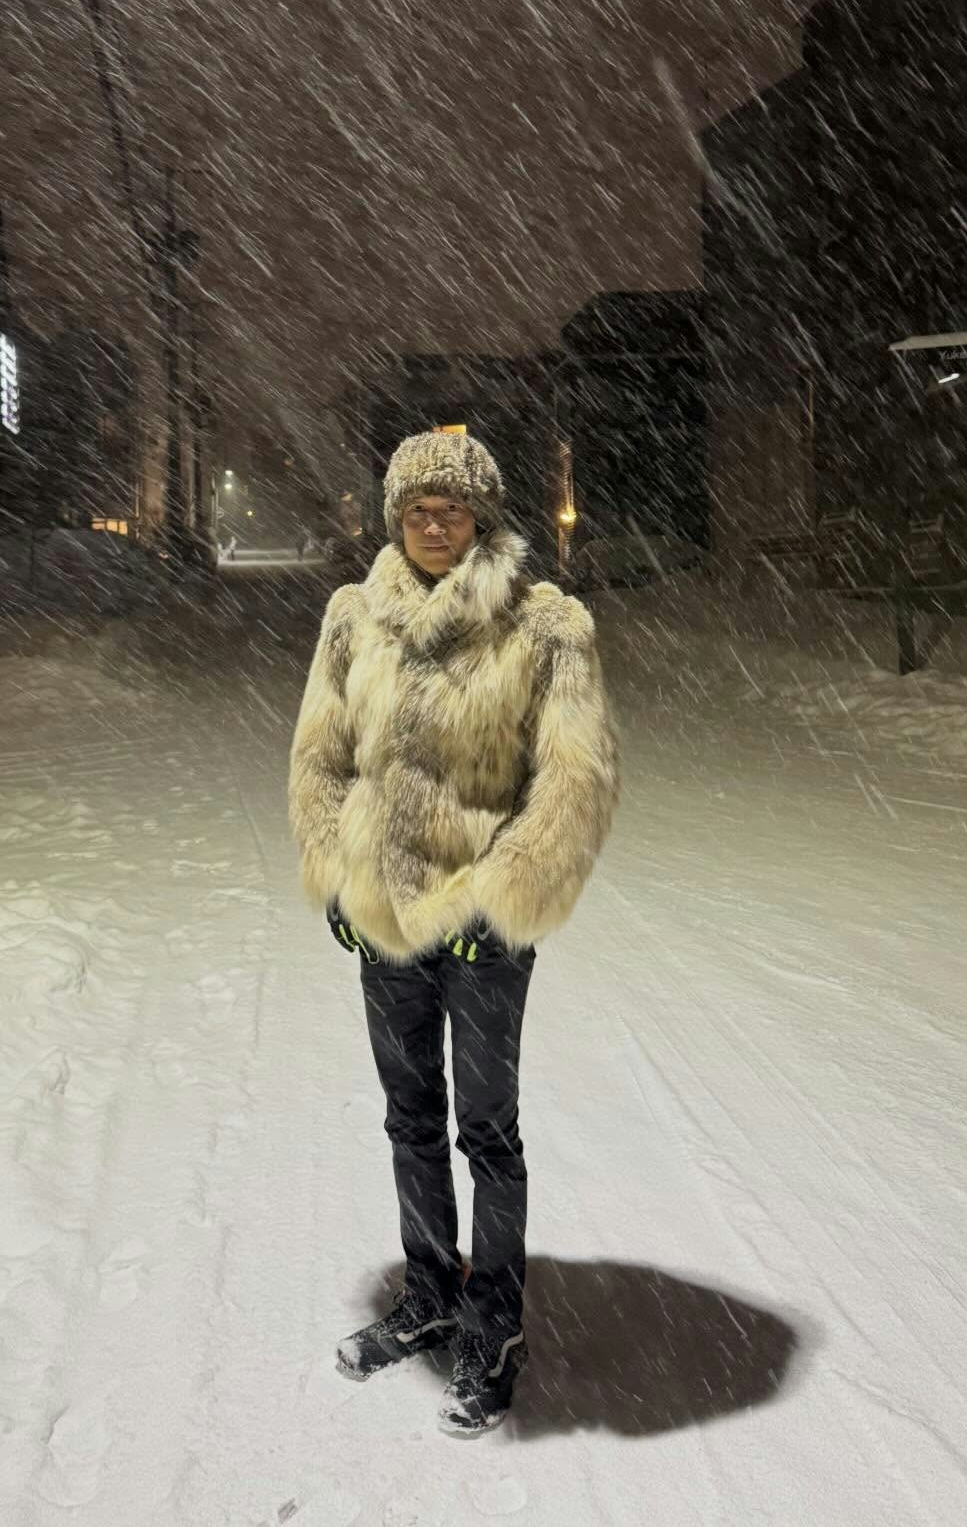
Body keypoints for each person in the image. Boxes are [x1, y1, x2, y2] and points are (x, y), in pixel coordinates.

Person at [288, 431, 617, 1436]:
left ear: (483, 519)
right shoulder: (354, 620)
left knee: (487, 1131)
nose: (435, 526)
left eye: (453, 510)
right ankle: (430, 1294)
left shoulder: (544, 626)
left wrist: (502, 900)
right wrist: (339, 874)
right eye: (418, 511)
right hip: (388, 917)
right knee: (411, 1119)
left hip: (484, 929)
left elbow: (575, 781)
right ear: (397, 520)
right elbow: (322, 757)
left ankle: (495, 1324)